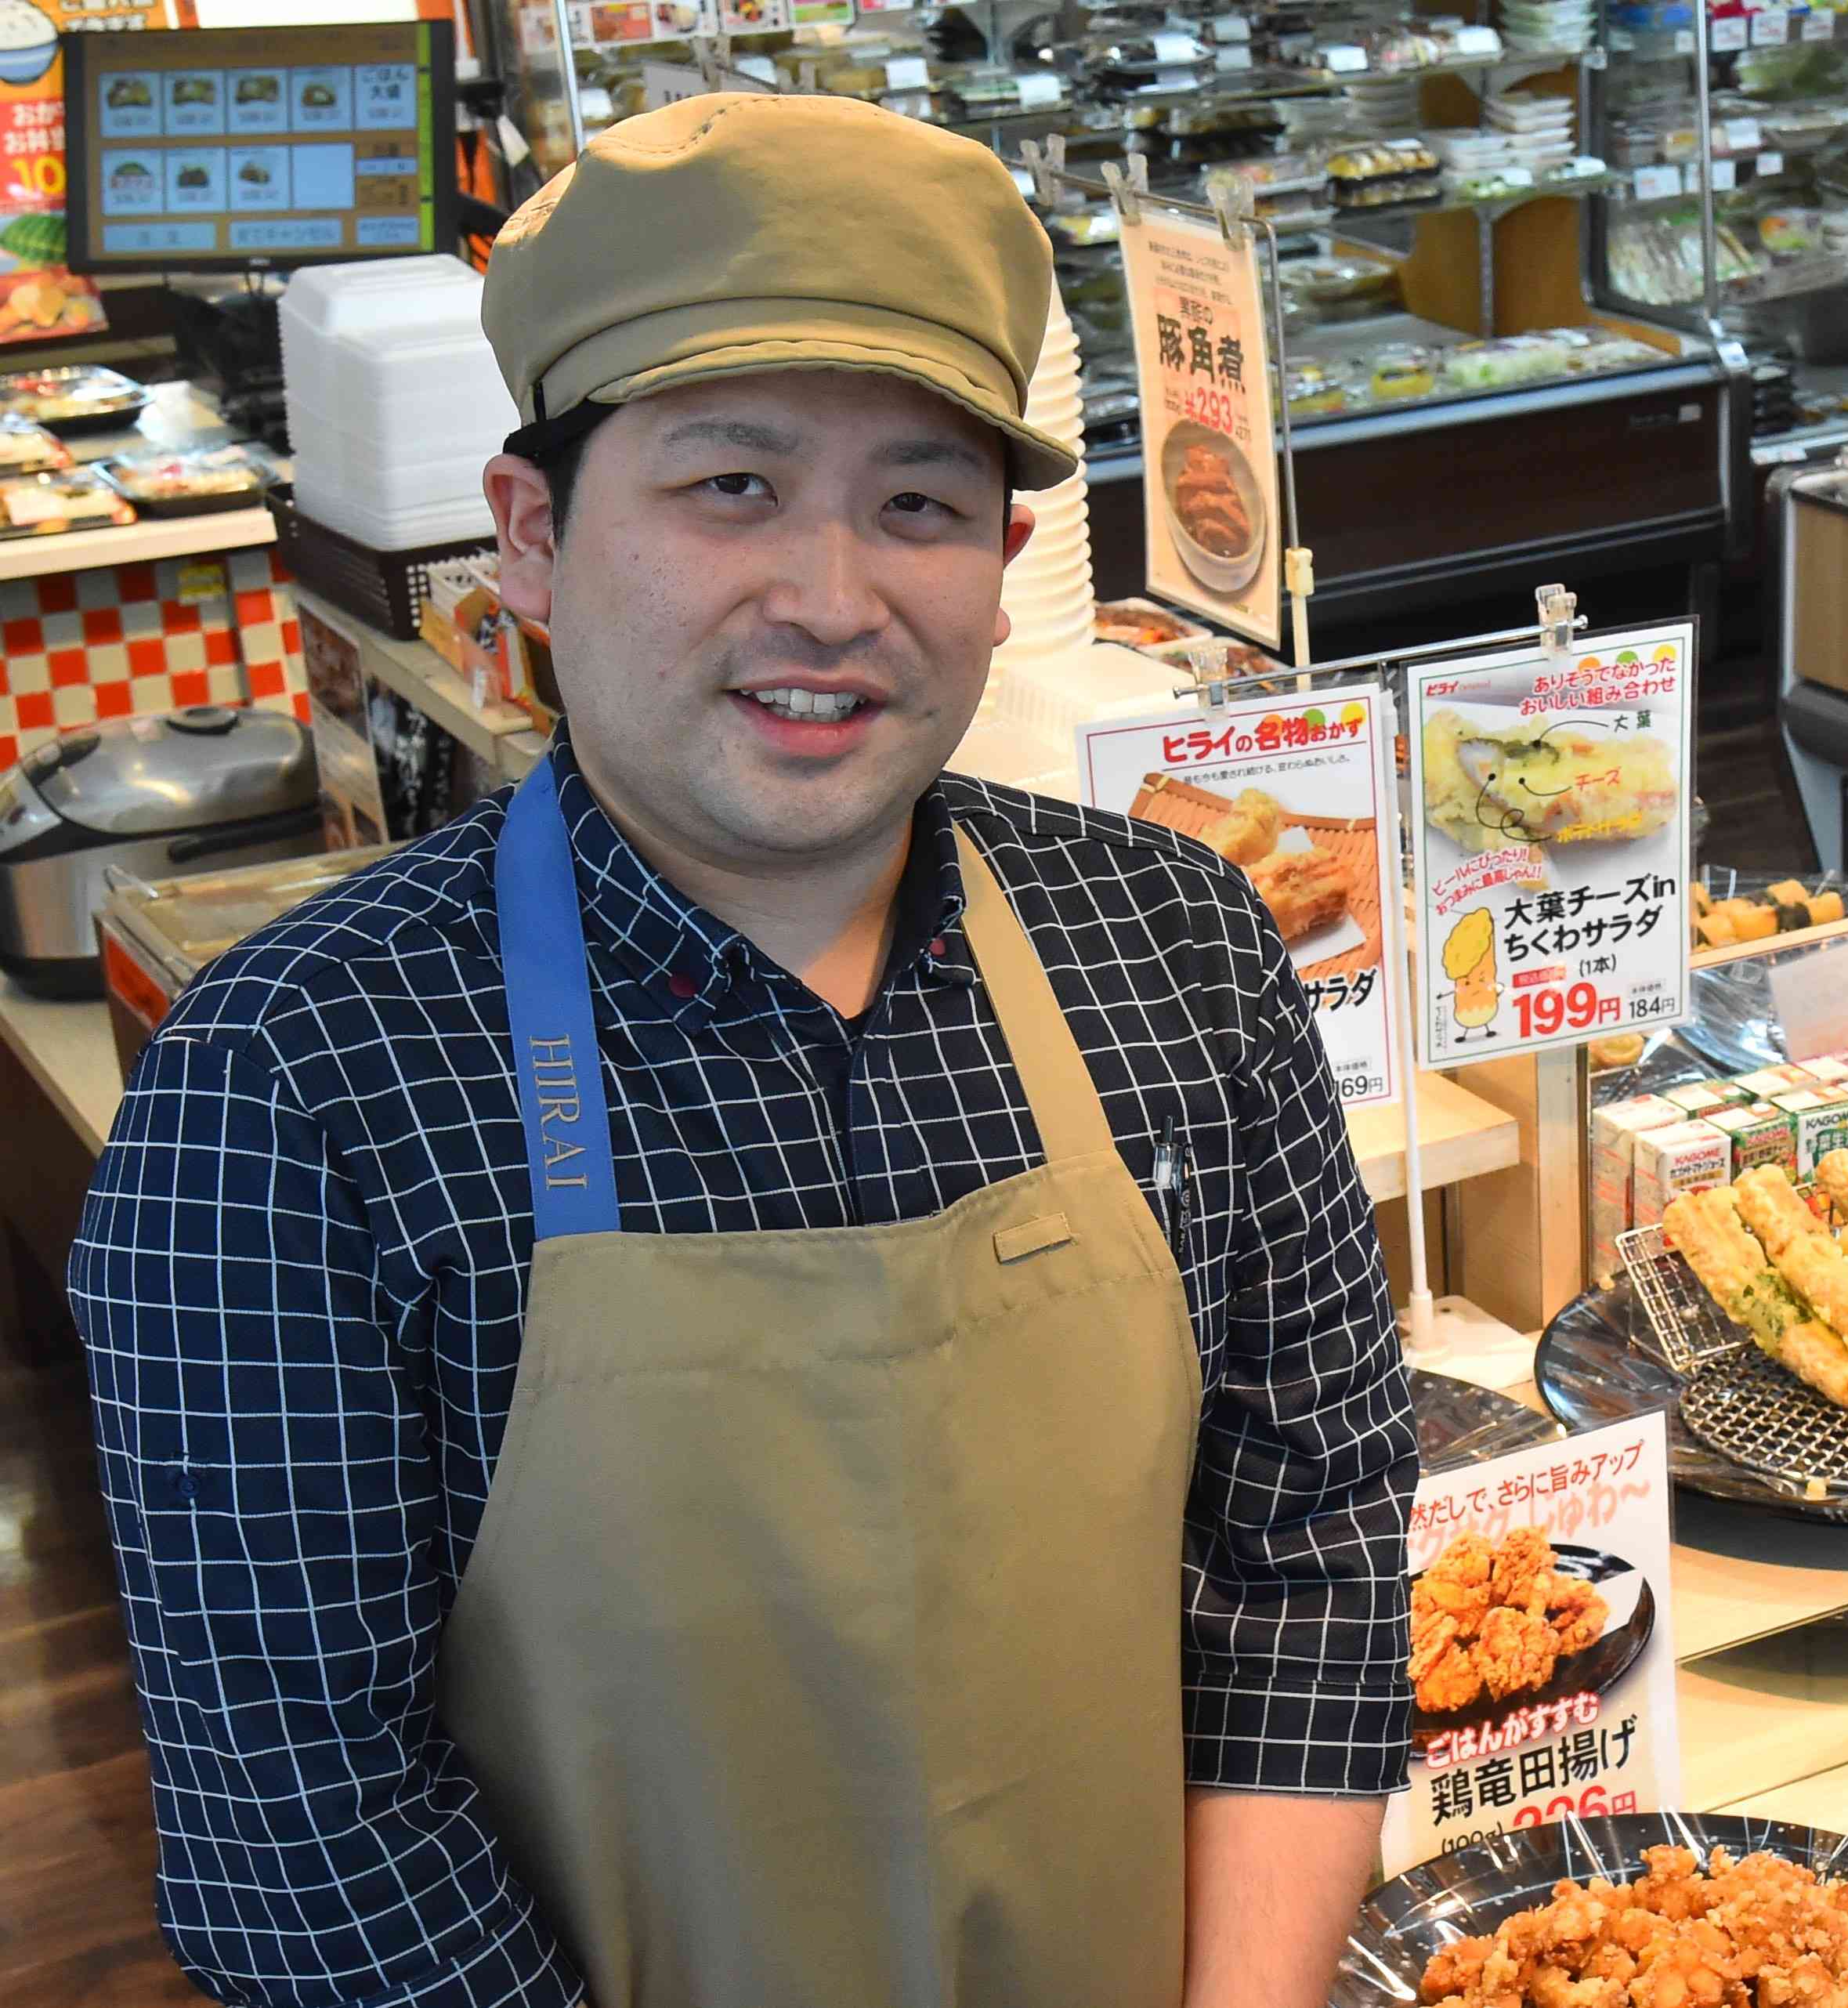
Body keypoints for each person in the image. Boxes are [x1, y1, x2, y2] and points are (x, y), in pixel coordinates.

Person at [70, 94, 1416, 2008]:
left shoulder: (1181, 943)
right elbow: (306, 1834)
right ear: (531, 539)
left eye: (919, 505)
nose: (832, 598)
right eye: (730, 486)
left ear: (1007, 554)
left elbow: (1313, 1538)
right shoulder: (294, 1076)